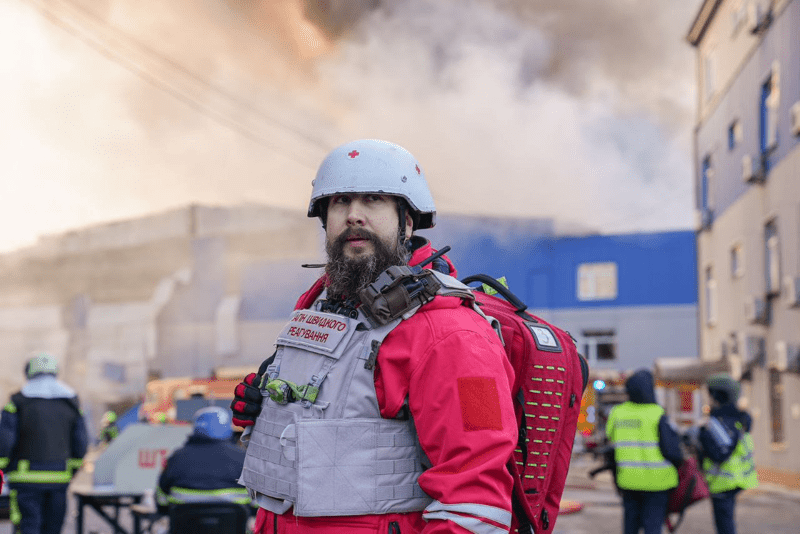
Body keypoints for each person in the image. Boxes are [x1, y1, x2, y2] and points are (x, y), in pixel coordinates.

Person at [231, 139, 517, 533]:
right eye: (340, 201)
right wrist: (265, 406)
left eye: (374, 200)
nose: (353, 215)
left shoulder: (455, 334)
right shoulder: (319, 305)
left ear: (408, 220)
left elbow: (475, 498)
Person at [0, 352, 88, 534]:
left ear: (29, 373)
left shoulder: (17, 403)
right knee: (52, 528)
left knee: (28, 526)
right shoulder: (71, 404)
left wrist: (3, 467)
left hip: (24, 480)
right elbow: (80, 442)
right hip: (58, 479)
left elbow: (5, 441)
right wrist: (71, 469)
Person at [605, 369, 682, 534]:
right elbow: (672, 451)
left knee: (630, 525)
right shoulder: (657, 413)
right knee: (652, 526)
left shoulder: (617, 413)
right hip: (657, 482)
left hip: (628, 480)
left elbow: (610, 440)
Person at [156, 406, 249, 510]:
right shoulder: (243, 458)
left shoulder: (176, 458)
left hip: (186, 524)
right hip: (232, 525)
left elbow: (161, 499)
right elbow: (258, 502)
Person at [699, 374, 757, 534]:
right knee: (726, 523)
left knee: (724, 525)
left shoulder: (719, 423)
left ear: (719, 395)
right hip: (736, 478)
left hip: (722, 481)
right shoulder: (739, 419)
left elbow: (719, 453)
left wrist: (702, 438)